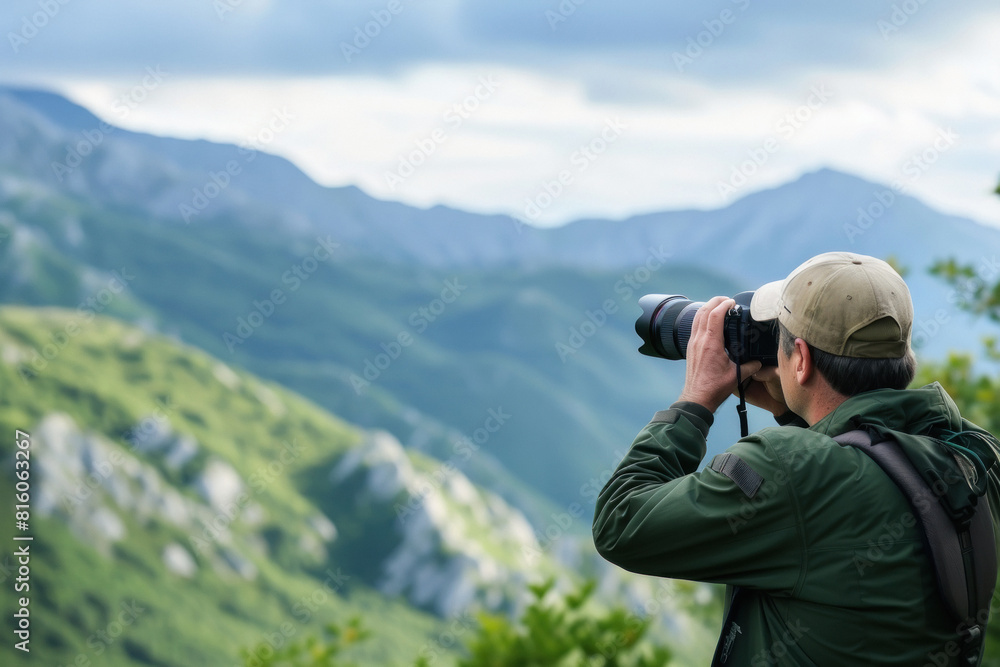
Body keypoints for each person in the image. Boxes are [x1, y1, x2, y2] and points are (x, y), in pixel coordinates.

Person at [592, 251, 1000, 666]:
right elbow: (862, 480)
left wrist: (695, 402)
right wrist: (791, 411)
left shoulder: (790, 468)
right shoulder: (976, 456)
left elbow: (620, 522)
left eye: (780, 340)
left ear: (801, 360)